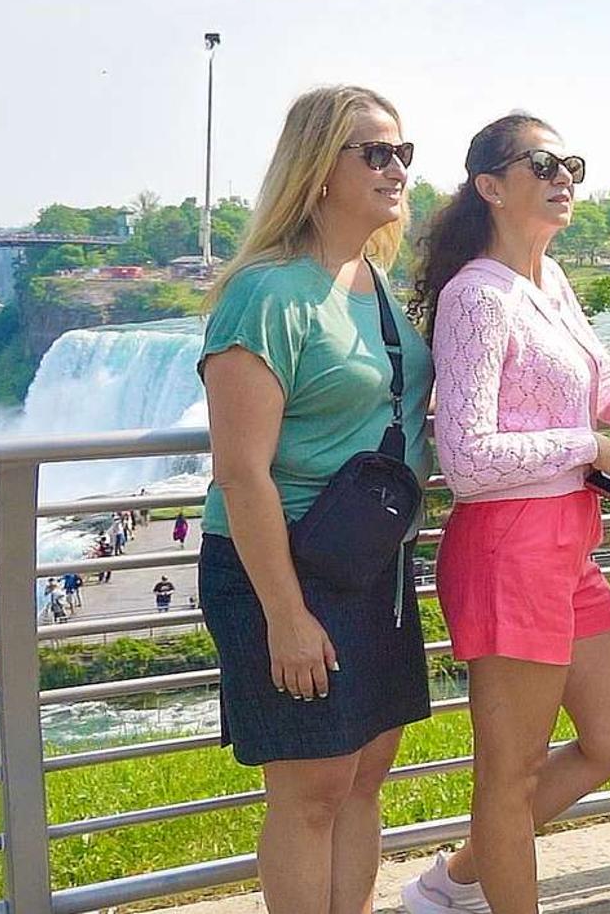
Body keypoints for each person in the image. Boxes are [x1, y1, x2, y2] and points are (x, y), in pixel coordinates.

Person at [401, 113, 610, 914]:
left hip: (565, 546)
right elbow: (468, 457)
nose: (564, 178)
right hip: (507, 547)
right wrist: (584, 446)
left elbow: (597, 360)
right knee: (507, 775)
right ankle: (476, 892)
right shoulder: (476, 296)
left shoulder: (546, 279)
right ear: (490, 185)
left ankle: (452, 882)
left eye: (572, 164)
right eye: (543, 163)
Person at [196, 85, 435, 914]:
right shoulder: (267, 295)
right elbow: (242, 472)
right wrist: (285, 615)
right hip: (280, 565)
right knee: (311, 791)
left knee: (366, 775)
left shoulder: (374, 282)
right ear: (317, 169)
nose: (396, 167)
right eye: (373, 152)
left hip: (373, 566)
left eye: (403, 151)